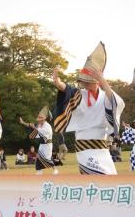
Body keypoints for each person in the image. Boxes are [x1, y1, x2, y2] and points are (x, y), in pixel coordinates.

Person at [53, 42, 125, 175]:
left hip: (101, 146)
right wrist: (58, 83)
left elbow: (117, 103)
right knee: (95, 176)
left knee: (111, 177)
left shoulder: (105, 96)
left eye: (87, 81)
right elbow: (67, 89)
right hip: (84, 143)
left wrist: (103, 81)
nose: (84, 84)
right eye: (83, 81)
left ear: (96, 81)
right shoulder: (79, 94)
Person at [19, 106, 58, 175]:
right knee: (38, 158)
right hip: (42, 145)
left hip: (48, 145)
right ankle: (39, 171)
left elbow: (41, 133)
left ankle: (55, 169)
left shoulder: (47, 126)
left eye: (40, 118)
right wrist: (23, 123)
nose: (39, 120)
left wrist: (35, 128)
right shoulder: (40, 125)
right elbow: (31, 125)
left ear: (44, 119)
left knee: (47, 158)